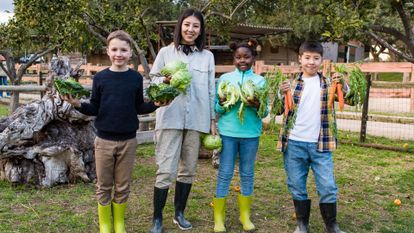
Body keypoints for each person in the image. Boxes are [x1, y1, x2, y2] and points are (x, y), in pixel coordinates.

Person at [63, 30, 163, 233]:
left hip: (128, 141)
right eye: (115, 49)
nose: (119, 54)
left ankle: (119, 223)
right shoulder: (100, 78)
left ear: (130, 53)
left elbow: (139, 108)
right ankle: (105, 224)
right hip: (104, 141)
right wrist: (76, 104)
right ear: (108, 51)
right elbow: (94, 107)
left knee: (123, 184)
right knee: (103, 184)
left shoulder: (135, 78)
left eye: (123, 50)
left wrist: (156, 104)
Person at [148, 8, 216, 233]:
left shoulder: (207, 56)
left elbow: (210, 89)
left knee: (188, 169)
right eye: (187, 25)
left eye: (196, 26)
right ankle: (157, 218)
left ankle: (179, 213)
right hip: (170, 117)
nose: (191, 29)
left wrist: (212, 120)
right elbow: (153, 83)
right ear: (180, 26)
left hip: (197, 118)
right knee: (166, 170)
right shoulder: (165, 53)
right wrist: (166, 81)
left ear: (200, 30)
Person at [278, 41, 346, 233]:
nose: (311, 62)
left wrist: (344, 84)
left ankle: (331, 225)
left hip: (320, 144)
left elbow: (350, 98)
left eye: (316, 58)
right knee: (297, 184)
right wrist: (279, 94)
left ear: (322, 60)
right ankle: (302, 224)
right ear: (300, 59)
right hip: (294, 143)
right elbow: (277, 110)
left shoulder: (329, 83)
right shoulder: (290, 84)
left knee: (327, 186)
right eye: (307, 57)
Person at [213, 40, 268, 233]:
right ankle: (218, 219)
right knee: (225, 173)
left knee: (247, 173)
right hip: (228, 133)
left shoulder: (261, 81)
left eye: (246, 57)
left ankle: (245, 216)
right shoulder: (225, 79)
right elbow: (217, 107)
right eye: (238, 57)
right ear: (233, 59)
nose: (242, 60)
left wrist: (257, 105)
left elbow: (265, 111)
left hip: (251, 134)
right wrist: (221, 102)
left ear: (253, 58)